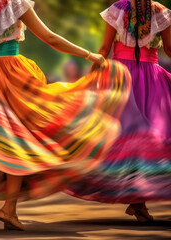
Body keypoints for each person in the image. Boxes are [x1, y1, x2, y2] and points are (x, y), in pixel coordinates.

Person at [0, 0, 131, 231]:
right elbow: (50, 38)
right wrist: (89, 55)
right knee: (19, 140)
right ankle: (8, 207)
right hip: (13, 74)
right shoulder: (16, 3)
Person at [66, 0, 171, 223]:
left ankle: (137, 200)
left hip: (120, 77)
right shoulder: (161, 11)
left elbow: (104, 49)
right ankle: (138, 200)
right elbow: (170, 50)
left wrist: (90, 79)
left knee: (123, 135)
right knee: (153, 137)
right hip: (152, 78)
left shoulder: (118, 8)